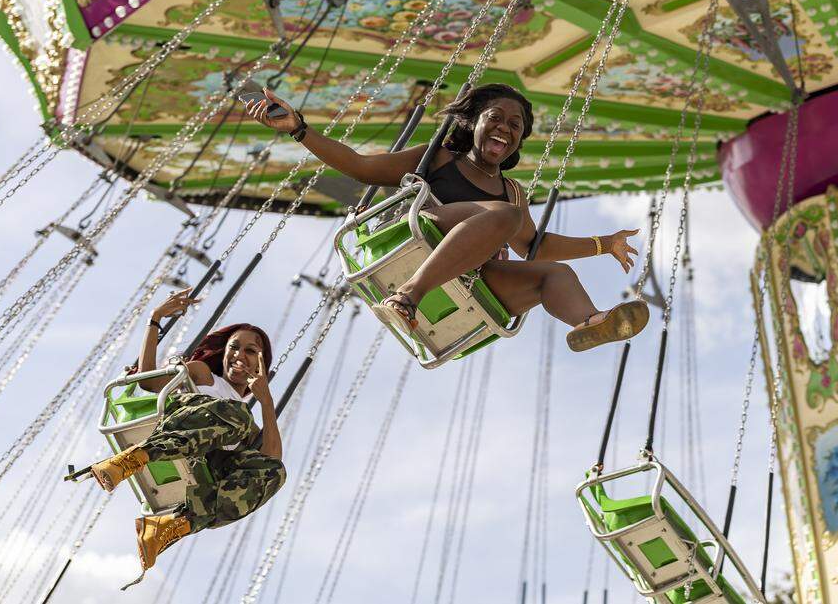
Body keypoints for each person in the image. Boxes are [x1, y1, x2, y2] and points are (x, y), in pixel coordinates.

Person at [244, 83, 649, 352]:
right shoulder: (439, 158)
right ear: (472, 122)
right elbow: (360, 166)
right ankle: (406, 297)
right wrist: (300, 130)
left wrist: (603, 245)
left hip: (471, 274)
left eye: (515, 125)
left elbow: (535, 246)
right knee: (504, 217)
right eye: (495, 118)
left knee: (554, 273)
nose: (504, 129)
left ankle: (591, 321)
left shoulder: (511, 193)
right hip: (418, 237)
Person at [86, 288, 286, 587]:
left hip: (201, 467)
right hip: (175, 430)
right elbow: (151, 382)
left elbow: (271, 462)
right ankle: (132, 459)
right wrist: (154, 320)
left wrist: (267, 404)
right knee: (238, 416)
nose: (239, 355)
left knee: (275, 472)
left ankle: (173, 525)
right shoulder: (204, 374)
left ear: (261, 363)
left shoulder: (250, 423)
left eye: (250, 350)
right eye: (235, 347)